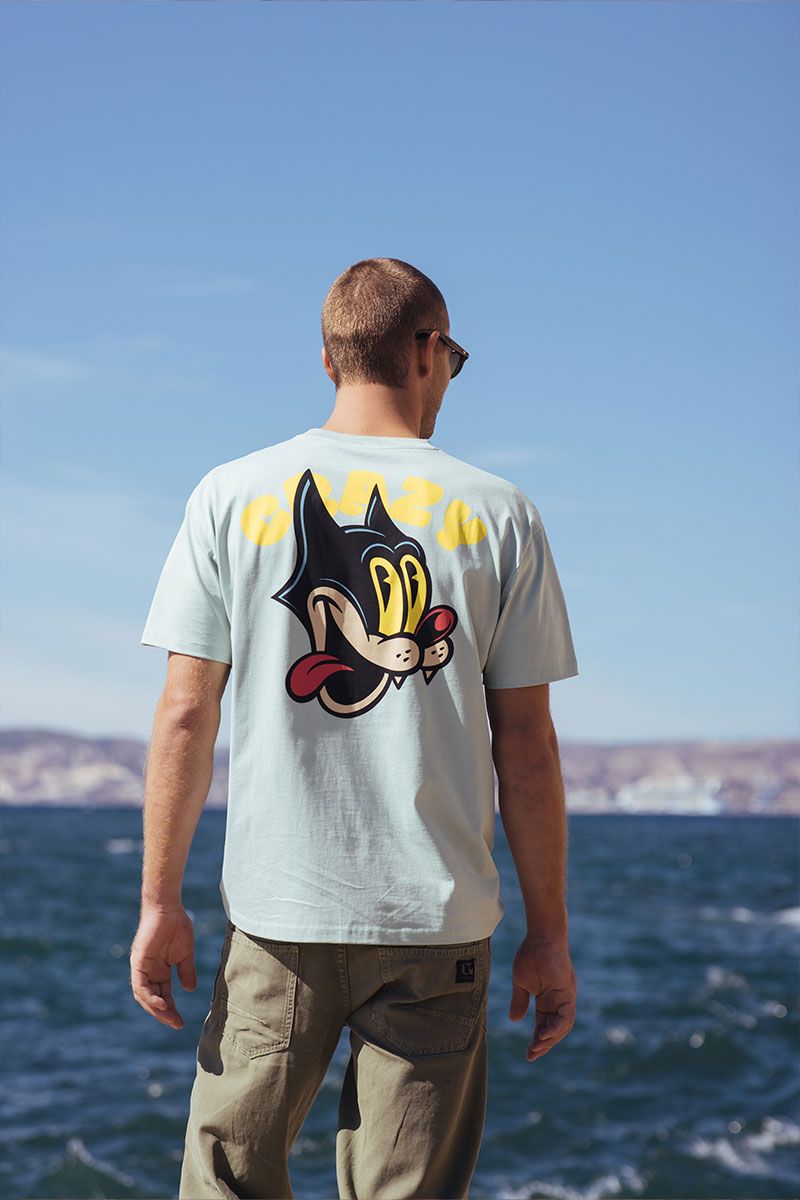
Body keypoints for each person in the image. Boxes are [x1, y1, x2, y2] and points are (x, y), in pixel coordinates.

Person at [130, 256, 580, 1200]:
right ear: (427, 351)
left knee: (225, 1183)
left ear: (330, 360)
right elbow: (527, 748)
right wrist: (549, 933)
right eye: (453, 357)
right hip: (436, 925)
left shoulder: (230, 495)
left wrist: (159, 902)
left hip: (278, 915)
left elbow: (184, 714)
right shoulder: (500, 513)